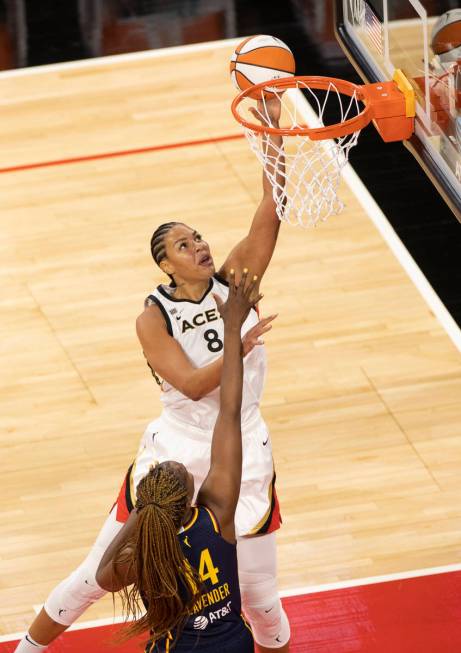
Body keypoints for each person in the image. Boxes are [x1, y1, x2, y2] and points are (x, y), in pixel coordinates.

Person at [16, 97, 290, 653]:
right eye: (184, 245)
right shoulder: (152, 318)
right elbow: (191, 385)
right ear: (165, 264)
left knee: (259, 597)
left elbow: (271, 205)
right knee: (93, 579)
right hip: (178, 454)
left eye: (199, 237)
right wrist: (236, 340)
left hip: (243, 443)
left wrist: (272, 131)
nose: (200, 246)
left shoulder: (232, 280)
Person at [96, 269, 260, 652]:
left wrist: (139, 512)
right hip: (234, 645)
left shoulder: (146, 553)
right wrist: (231, 331)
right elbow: (230, 411)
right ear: (190, 498)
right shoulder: (215, 514)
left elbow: (104, 577)